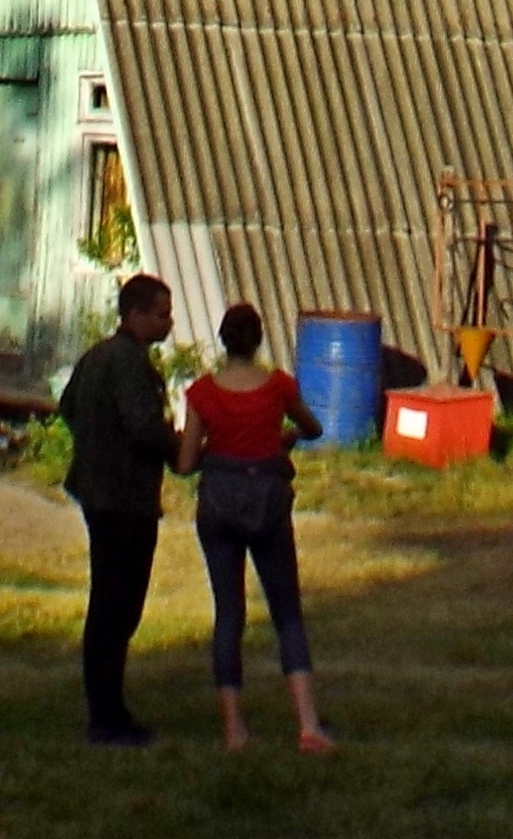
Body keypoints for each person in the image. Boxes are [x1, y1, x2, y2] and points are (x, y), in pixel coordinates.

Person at [175, 301, 334, 754]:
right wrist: (280, 438)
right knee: (286, 614)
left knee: (229, 614)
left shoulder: (202, 393)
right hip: (267, 501)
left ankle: (233, 729)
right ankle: (307, 726)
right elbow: (313, 426)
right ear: (259, 339)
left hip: (220, 503)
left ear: (223, 341)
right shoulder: (279, 386)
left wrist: (214, 449)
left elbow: (185, 463)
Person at [58, 272, 182, 745]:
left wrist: (94, 444)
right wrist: (179, 447)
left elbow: (68, 407)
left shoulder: (95, 357)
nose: (169, 323)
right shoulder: (129, 363)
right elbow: (143, 428)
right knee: (118, 607)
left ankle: (107, 708)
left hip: (96, 492)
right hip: (125, 499)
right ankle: (107, 717)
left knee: (108, 604)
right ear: (135, 315)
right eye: (162, 314)